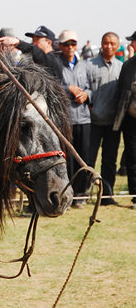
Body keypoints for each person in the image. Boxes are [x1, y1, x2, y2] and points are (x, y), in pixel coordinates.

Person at [56, 30, 92, 205]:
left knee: (83, 157)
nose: (70, 47)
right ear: (60, 46)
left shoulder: (85, 65)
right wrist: (67, 88)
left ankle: (81, 193)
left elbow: (91, 87)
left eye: (73, 44)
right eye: (66, 44)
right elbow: (53, 86)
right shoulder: (56, 64)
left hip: (84, 118)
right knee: (67, 159)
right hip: (66, 118)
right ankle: (67, 193)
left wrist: (87, 95)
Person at [86, 32, 122, 206]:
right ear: (101, 44)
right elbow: (83, 88)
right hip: (93, 121)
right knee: (88, 159)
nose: (109, 46)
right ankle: (82, 194)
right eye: (106, 43)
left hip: (113, 124)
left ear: (117, 46)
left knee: (109, 161)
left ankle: (107, 196)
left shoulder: (121, 67)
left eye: (112, 44)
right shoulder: (89, 65)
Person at [114, 30, 136, 208]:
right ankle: (135, 195)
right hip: (130, 120)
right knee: (133, 157)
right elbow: (121, 91)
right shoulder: (128, 66)